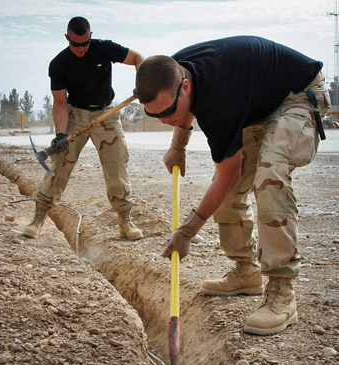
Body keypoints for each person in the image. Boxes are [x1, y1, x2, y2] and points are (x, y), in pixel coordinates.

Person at [135, 36, 330, 335]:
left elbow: (231, 174)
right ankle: (246, 272)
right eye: (153, 114)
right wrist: (179, 144)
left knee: (268, 174)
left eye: (167, 112)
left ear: (184, 87)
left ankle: (282, 292)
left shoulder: (219, 100)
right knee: (225, 194)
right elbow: (185, 110)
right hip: (258, 104)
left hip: (298, 95)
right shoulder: (171, 70)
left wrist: (187, 231)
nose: (163, 120)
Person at [23, 16, 144, 241]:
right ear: (67, 38)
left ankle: (125, 222)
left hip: (106, 115)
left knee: (117, 166)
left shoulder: (104, 48)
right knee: (59, 166)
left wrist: (142, 81)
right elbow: (59, 103)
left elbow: (138, 58)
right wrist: (60, 134)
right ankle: (38, 219)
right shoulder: (59, 63)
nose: (80, 48)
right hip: (75, 115)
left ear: (90, 36)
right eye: (75, 44)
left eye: (84, 43)